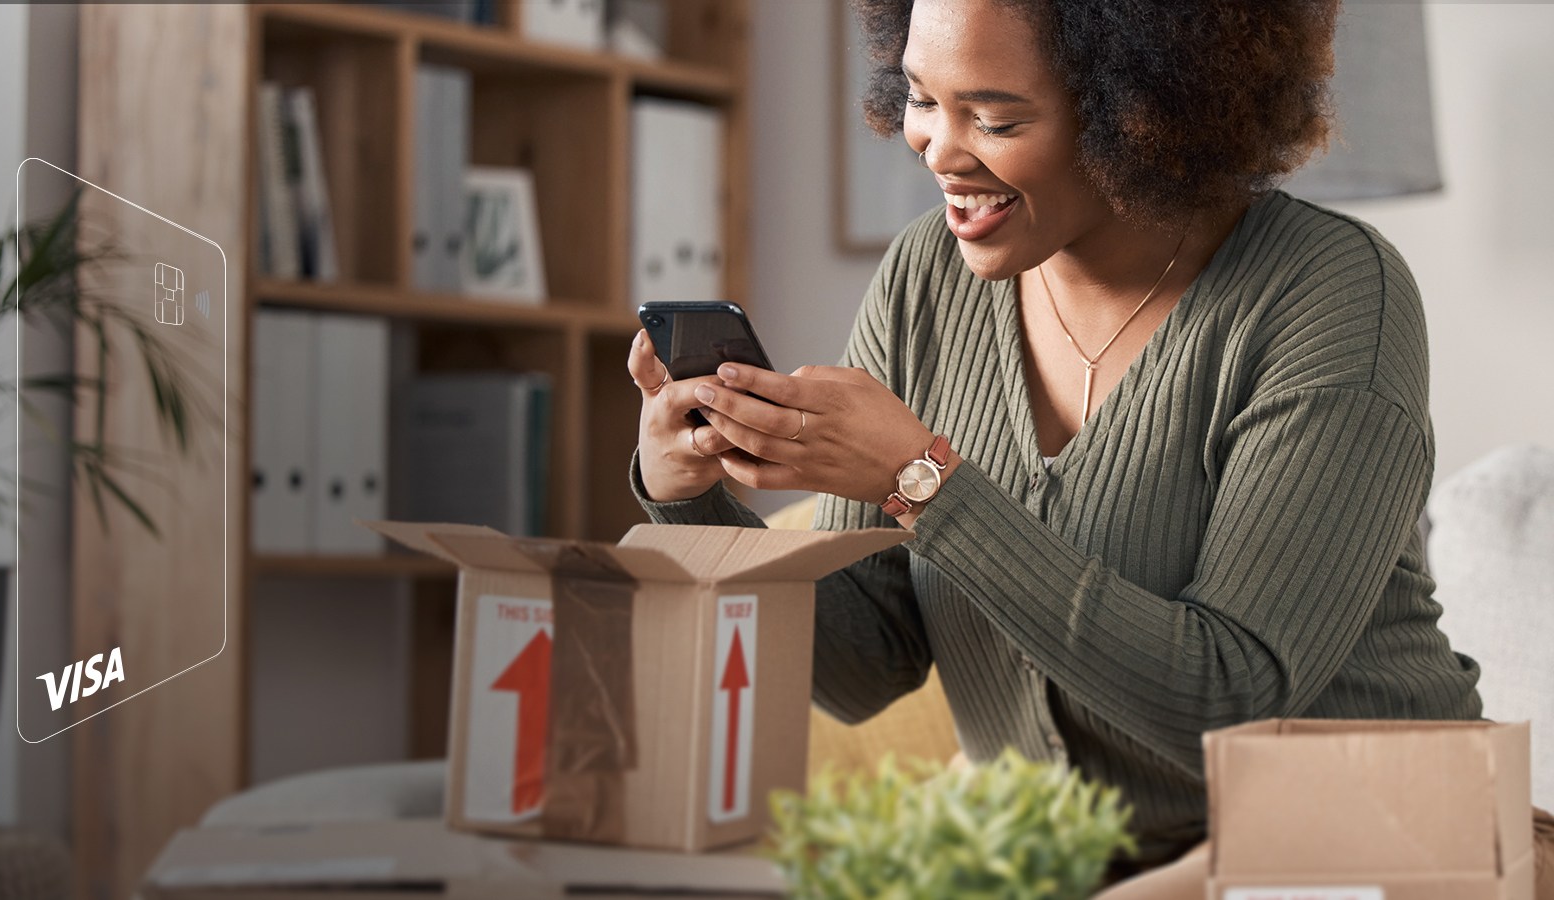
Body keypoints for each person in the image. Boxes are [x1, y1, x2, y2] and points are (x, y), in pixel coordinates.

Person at [627, 0, 1554, 891]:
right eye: (919, 99)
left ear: (1139, 112)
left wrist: (924, 484)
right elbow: (863, 667)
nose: (938, 149)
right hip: (1085, 868)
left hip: (1386, 836)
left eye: (992, 117)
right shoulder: (922, 281)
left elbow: (1232, 694)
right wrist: (692, 498)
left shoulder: (1330, 292)